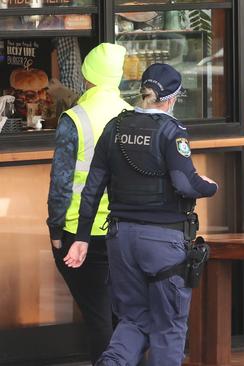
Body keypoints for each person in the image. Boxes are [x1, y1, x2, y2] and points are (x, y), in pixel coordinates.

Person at [63, 63, 218, 366]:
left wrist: (82, 237)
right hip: (164, 243)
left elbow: (93, 187)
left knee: (133, 320)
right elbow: (185, 184)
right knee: (168, 326)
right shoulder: (172, 132)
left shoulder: (114, 127)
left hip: (121, 239)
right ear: (172, 98)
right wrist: (211, 187)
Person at [46, 42, 132, 364]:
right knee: (121, 314)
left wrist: (55, 228)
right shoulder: (133, 116)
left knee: (98, 316)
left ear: (86, 78)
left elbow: (61, 181)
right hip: (124, 231)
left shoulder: (76, 118)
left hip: (80, 232)